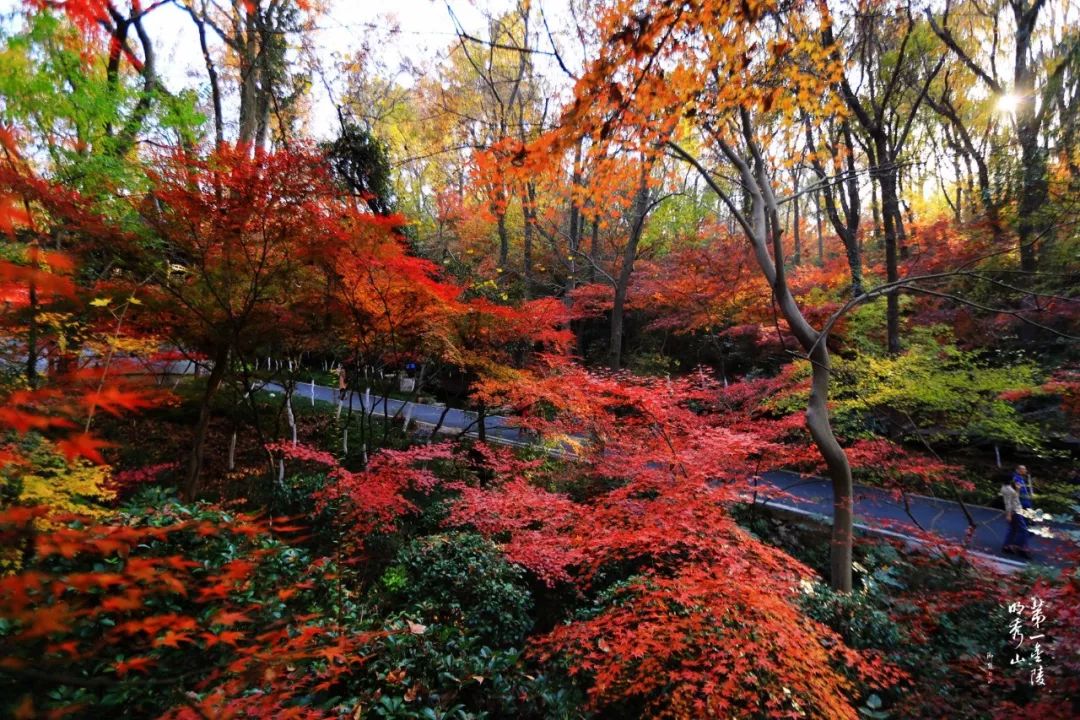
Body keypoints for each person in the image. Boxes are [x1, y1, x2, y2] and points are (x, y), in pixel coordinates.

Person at [1001, 478, 1031, 559]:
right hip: (1014, 511)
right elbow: (1008, 503)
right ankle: (1019, 547)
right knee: (1023, 530)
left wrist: (1017, 489)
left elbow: (1015, 498)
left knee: (1013, 529)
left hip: (1016, 510)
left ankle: (1006, 546)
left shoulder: (1008, 487)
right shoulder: (1007, 489)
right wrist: (1009, 514)